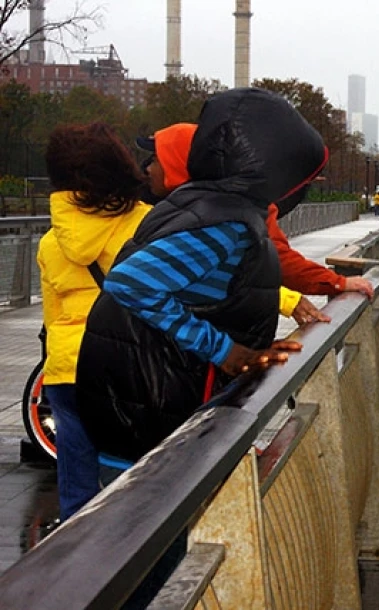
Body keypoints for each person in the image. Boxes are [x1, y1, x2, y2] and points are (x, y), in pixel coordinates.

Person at [76, 88, 320, 463]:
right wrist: (223, 351)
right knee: (150, 517)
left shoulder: (202, 205)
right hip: (152, 413)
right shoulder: (225, 223)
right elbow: (131, 283)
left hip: (138, 402)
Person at [136, 123, 374, 316]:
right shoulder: (151, 207)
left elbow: (277, 263)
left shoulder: (228, 209)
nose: (147, 168)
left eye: (156, 159)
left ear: (177, 164)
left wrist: (334, 283)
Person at [36, 123, 151, 520]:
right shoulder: (146, 226)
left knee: (77, 483)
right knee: (139, 481)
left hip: (67, 371)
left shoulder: (51, 243)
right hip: (124, 363)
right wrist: (291, 303)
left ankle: (77, 565)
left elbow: (53, 320)